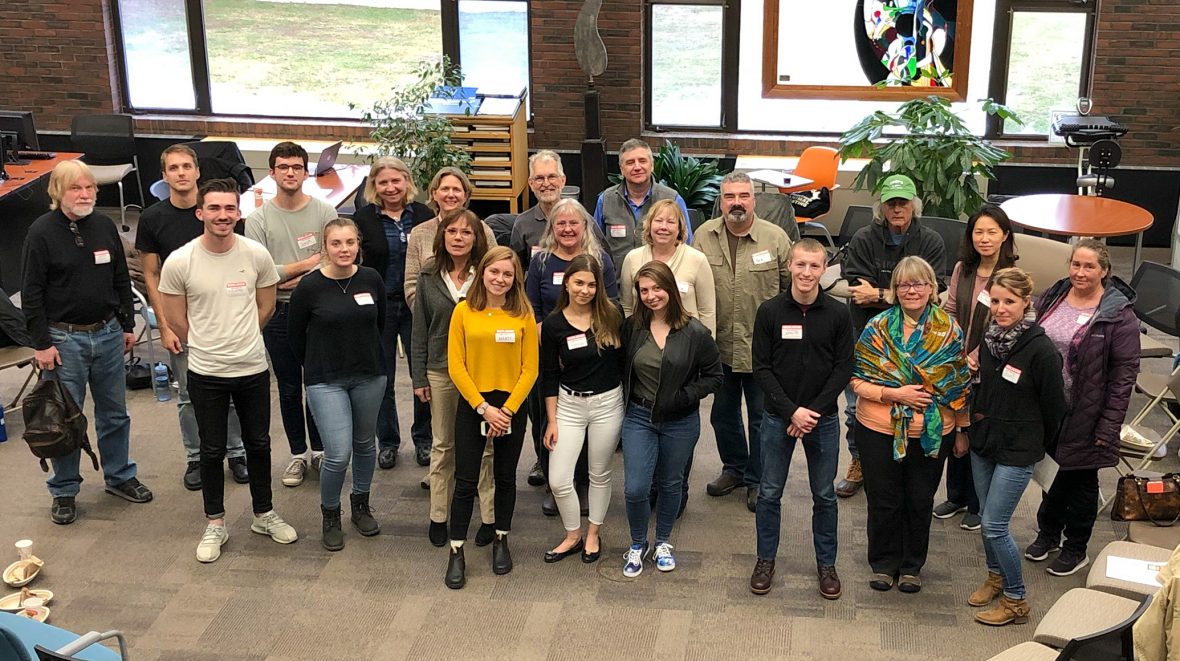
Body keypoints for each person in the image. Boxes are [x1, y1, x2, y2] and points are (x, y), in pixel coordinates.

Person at [159, 178, 296, 563]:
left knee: (259, 444)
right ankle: (215, 523)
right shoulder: (180, 261)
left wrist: (242, 338)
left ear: (239, 213)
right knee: (212, 449)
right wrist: (211, 342)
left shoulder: (256, 255)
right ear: (200, 213)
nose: (223, 216)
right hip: (205, 371)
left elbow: (266, 307)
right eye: (215, 209)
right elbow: (175, 318)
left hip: (252, 367)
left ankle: (263, 514)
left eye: (230, 209)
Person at [21, 160, 152, 525]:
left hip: (109, 334)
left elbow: (120, 278)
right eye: (76, 188)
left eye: (89, 188)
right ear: (58, 193)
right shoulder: (41, 232)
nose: (84, 194)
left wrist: (128, 323)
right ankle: (64, 490)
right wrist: (41, 343)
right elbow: (31, 293)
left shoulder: (104, 226)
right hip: (64, 341)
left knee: (115, 413)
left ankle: (120, 476)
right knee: (63, 419)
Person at [851, 256, 970, 594]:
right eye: (904, 284)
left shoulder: (949, 330)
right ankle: (884, 564)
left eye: (919, 283)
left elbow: (959, 383)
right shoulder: (877, 329)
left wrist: (962, 429)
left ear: (932, 289)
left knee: (919, 500)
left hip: (933, 433)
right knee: (884, 499)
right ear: (894, 290)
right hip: (878, 429)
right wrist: (895, 393)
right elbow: (857, 381)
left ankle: (911, 566)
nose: (912, 290)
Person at [136, 143, 249, 491]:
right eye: (174, 168)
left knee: (230, 388)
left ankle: (236, 452)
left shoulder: (219, 212)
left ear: (198, 172)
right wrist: (165, 324)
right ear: (164, 176)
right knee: (188, 394)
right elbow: (151, 276)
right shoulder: (152, 219)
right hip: (180, 322)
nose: (182, 173)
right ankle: (196, 457)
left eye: (187, 166)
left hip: (223, 317)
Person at [1024, 239, 1139, 577]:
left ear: (1104, 270)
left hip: (1088, 413)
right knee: (1050, 474)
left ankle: (1076, 547)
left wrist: (1108, 426)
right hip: (1049, 408)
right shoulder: (1055, 295)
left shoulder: (1118, 315)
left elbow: (1123, 378)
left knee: (1081, 481)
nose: (1080, 272)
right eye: (1076, 264)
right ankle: (1048, 533)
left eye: (1089, 266)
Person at [750, 239, 854, 600]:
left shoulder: (839, 314)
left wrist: (811, 412)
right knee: (769, 493)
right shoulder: (770, 311)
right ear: (789, 267)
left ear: (824, 269)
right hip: (779, 417)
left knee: (824, 495)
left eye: (814, 266)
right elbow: (761, 368)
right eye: (800, 265)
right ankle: (765, 560)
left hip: (821, 420)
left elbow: (844, 368)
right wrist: (791, 411)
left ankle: (827, 564)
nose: (807, 273)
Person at [966, 267, 1067, 626]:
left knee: (995, 525)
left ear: (1027, 302)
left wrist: (1032, 441)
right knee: (984, 523)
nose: (1000, 308)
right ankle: (995, 576)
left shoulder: (1041, 350)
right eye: (995, 300)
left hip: (1018, 451)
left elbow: (1056, 409)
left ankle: (1016, 600)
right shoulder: (991, 340)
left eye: (1009, 301)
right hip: (984, 443)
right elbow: (983, 390)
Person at [837, 173, 946, 499]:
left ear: (914, 205)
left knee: (912, 397)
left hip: (917, 335)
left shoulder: (931, 241)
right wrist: (903, 293)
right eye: (891, 203)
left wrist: (882, 294)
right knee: (858, 403)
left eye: (903, 203)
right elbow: (859, 293)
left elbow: (933, 292)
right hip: (869, 333)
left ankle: (901, 459)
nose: (897, 209)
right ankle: (859, 460)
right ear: (881, 207)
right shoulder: (863, 238)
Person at [693, 172, 792, 512]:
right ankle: (733, 469)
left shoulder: (775, 238)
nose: (736, 202)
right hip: (717, 345)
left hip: (762, 348)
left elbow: (789, 290)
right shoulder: (703, 236)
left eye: (743, 196)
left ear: (754, 200)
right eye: (729, 196)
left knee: (762, 417)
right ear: (721, 201)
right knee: (722, 414)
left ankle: (757, 478)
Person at [288, 218, 387, 551]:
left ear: (358, 245)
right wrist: (317, 364)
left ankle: (360, 504)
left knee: (365, 444)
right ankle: (330, 513)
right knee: (337, 453)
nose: (344, 250)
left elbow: (381, 323)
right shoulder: (309, 287)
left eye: (350, 243)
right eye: (336, 243)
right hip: (325, 379)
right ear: (324, 248)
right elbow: (294, 337)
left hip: (370, 375)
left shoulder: (371, 279)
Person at [444, 246, 538, 589]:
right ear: (481, 272)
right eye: (494, 272)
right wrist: (484, 408)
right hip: (475, 404)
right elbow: (456, 365)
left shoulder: (522, 313)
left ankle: (501, 538)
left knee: (505, 476)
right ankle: (457, 550)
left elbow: (530, 368)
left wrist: (508, 410)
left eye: (507, 274)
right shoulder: (463, 312)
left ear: (516, 280)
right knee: (466, 480)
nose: (500, 279)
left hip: (511, 404)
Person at [620, 261, 722, 578]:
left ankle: (663, 541)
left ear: (670, 289)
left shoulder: (695, 332)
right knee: (636, 487)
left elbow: (715, 377)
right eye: (644, 290)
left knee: (671, 483)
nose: (651, 296)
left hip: (680, 420)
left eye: (657, 288)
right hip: (639, 416)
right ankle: (638, 543)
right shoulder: (632, 327)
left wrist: (685, 396)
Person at [245, 141, 334, 488]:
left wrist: (287, 274)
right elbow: (260, 271)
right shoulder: (257, 220)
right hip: (278, 311)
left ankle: (321, 450)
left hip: (317, 311)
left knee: (318, 383)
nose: (291, 173)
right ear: (272, 173)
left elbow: (334, 260)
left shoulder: (325, 212)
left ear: (305, 172)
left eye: (297, 167)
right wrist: (309, 265)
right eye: (283, 167)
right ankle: (298, 453)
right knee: (287, 385)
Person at [525, 198, 619, 515]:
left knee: (586, 425)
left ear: (584, 227)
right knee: (547, 419)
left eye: (573, 223)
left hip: (589, 357)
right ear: (552, 227)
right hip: (546, 351)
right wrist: (552, 338)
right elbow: (530, 308)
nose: (567, 228)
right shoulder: (540, 262)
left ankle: (582, 483)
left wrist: (584, 345)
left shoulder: (600, 259)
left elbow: (610, 305)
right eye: (560, 223)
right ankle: (556, 482)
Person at [410, 209, 497, 549]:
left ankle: (488, 517)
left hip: (481, 372)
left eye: (466, 232)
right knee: (444, 445)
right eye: (452, 231)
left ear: (477, 238)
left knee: (485, 447)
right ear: (442, 235)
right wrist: (419, 375)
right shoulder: (429, 274)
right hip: (442, 371)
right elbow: (420, 329)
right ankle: (438, 516)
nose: (459, 237)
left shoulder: (488, 274)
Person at [935, 204, 1019, 531]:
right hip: (957, 361)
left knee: (977, 430)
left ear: (1005, 236)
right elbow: (953, 310)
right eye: (978, 232)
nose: (984, 239)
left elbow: (1012, 322)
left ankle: (976, 501)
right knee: (955, 422)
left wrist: (979, 355)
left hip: (992, 364)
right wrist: (950, 348)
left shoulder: (1010, 275)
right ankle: (955, 496)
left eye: (992, 232)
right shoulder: (962, 269)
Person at [540, 254, 624, 564]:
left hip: (607, 404)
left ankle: (592, 534)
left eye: (591, 284)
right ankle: (572, 534)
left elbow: (625, 363)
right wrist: (551, 420)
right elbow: (549, 374)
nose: (585, 290)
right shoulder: (553, 323)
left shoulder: (612, 317)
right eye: (579, 283)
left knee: (599, 473)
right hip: (568, 405)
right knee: (559, 478)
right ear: (567, 283)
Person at [354, 157, 436, 471]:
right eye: (383, 182)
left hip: (418, 305)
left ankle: (424, 438)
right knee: (381, 377)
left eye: (396, 181)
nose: (390, 188)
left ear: (407, 182)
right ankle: (387, 442)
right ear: (374, 186)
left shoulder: (424, 215)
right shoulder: (363, 218)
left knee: (423, 374)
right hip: (379, 306)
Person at [593, 138, 692, 276]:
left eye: (642, 161)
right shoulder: (606, 200)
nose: (637, 167)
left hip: (662, 287)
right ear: (621, 169)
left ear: (652, 165)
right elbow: (595, 245)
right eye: (630, 162)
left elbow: (686, 244)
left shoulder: (672, 199)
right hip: (617, 287)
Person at [403, 167, 496, 310]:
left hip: (477, 316)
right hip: (434, 320)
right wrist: (429, 312)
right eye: (445, 189)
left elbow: (495, 271)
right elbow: (411, 283)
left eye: (457, 190)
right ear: (434, 193)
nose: (451, 195)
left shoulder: (483, 230)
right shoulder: (419, 233)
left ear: (466, 195)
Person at [620, 199, 715, 336]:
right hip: (644, 342)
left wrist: (706, 347)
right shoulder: (632, 258)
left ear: (680, 228)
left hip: (688, 344)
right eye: (658, 221)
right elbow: (627, 307)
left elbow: (707, 311)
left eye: (671, 222)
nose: (663, 227)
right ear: (649, 225)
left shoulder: (697, 259)